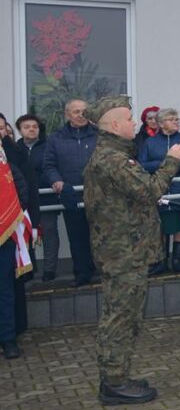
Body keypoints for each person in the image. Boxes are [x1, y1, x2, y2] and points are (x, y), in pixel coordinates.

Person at [83, 96, 180, 404]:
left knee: (125, 314)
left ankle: (118, 375)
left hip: (123, 250)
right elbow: (150, 190)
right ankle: (114, 383)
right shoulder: (113, 160)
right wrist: (171, 161)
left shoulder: (111, 156)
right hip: (122, 253)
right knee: (120, 316)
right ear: (114, 125)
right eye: (129, 119)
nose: (135, 124)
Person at [42, 98, 98, 286]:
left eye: (84, 111)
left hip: (100, 195)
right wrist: (56, 181)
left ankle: (104, 271)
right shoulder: (56, 137)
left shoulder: (100, 135)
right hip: (71, 196)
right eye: (76, 111)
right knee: (77, 236)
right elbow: (49, 166)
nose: (81, 115)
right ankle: (82, 273)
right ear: (67, 115)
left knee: (101, 235)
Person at [139, 109, 180, 275]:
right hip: (159, 192)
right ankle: (161, 262)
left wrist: (178, 165)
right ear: (160, 124)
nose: (176, 122)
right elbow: (142, 165)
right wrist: (164, 164)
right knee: (160, 228)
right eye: (171, 119)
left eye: (177, 119)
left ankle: (178, 262)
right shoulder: (150, 143)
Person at [16, 114, 58, 281]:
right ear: (20, 130)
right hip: (23, 201)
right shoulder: (15, 149)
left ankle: (50, 269)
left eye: (35, 126)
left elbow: (52, 168)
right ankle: (29, 269)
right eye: (27, 127)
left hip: (46, 198)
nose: (31, 129)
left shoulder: (49, 146)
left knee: (49, 232)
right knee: (25, 234)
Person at [1, 140, 30, 359]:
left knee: (4, 291)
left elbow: (21, 193)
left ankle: (8, 339)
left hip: (4, 236)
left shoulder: (7, 170)